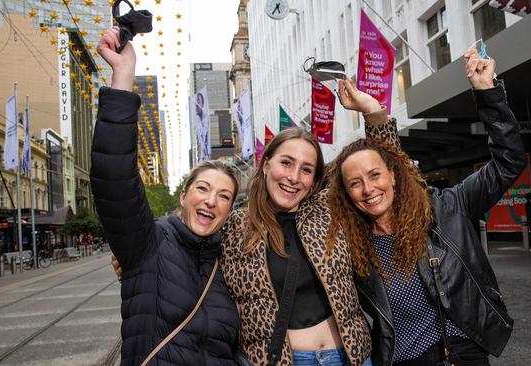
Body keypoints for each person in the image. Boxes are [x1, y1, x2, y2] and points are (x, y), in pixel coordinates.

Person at [325, 48, 523, 365]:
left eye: (375, 175)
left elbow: (509, 162)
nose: (368, 189)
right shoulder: (352, 244)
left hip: (463, 355)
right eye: (355, 183)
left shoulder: (447, 208)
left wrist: (489, 95)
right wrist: (373, 111)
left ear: (393, 174)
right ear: (346, 193)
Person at [93, 27, 241, 365]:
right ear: (184, 194)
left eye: (223, 196)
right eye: (203, 189)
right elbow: (114, 178)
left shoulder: (229, 262)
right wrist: (123, 76)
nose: (210, 201)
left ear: (230, 210)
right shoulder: (148, 243)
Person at [219, 78, 386, 366]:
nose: (294, 177)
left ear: (314, 180)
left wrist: (372, 110)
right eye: (286, 162)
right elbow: (186, 250)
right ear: (266, 162)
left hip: (350, 357)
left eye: (306, 169)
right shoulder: (234, 227)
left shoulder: (330, 210)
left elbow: (384, 167)